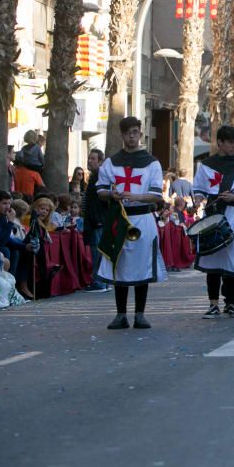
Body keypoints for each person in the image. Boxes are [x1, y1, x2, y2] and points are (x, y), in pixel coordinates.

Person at [95, 117, 167, 330]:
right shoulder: (111, 162)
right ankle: (120, 315)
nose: (132, 136)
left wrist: (135, 197)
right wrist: (112, 193)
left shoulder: (152, 162)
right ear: (122, 135)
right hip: (120, 219)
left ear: (140, 133)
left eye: (135, 132)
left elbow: (156, 196)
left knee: (142, 266)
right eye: (128, 133)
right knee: (120, 266)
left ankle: (140, 314)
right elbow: (100, 190)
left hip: (142, 218)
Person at [192, 125, 234, 319]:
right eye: (231, 143)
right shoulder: (207, 165)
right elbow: (199, 188)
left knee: (233, 259)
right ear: (220, 143)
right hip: (212, 213)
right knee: (213, 258)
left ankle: (232, 303)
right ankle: (213, 303)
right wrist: (199, 199)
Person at [81, 148, 109, 292]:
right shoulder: (93, 176)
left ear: (100, 161)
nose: (90, 161)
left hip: (97, 220)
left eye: (93, 159)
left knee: (97, 251)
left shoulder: (99, 176)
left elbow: (100, 200)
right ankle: (103, 281)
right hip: (95, 219)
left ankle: (99, 282)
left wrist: (97, 218)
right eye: (89, 158)